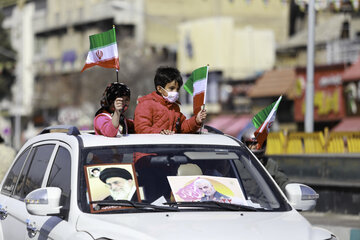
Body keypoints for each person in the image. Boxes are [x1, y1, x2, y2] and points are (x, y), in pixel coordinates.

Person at [134, 66, 207, 134]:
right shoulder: (146, 104)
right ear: (159, 89)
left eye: (177, 89)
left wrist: (196, 120)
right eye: (171, 88)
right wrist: (160, 132)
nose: (175, 92)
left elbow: (182, 127)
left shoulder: (174, 107)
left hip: (170, 146)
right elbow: (141, 128)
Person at [241, 128, 289, 192]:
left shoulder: (271, 165)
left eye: (260, 143)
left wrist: (291, 189)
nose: (256, 146)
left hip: (267, 201)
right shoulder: (237, 163)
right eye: (252, 143)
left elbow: (283, 183)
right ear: (245, 144)